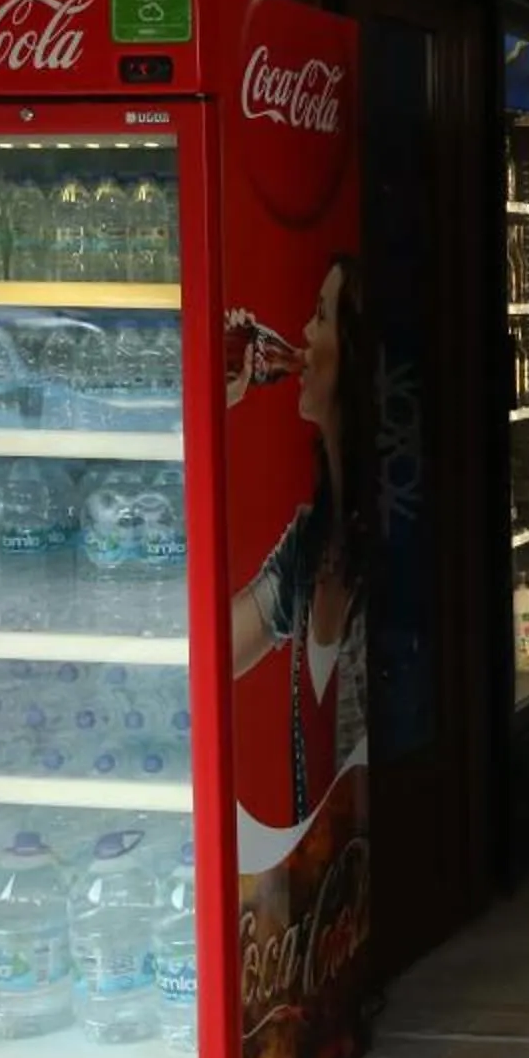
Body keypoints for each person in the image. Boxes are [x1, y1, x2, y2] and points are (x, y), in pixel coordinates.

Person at [229, 257, 375, 825]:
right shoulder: (311, 541)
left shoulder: (389, 541)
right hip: (325, 889)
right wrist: (218, 406)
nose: (304, 334)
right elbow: (216, 653)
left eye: (320, 317)